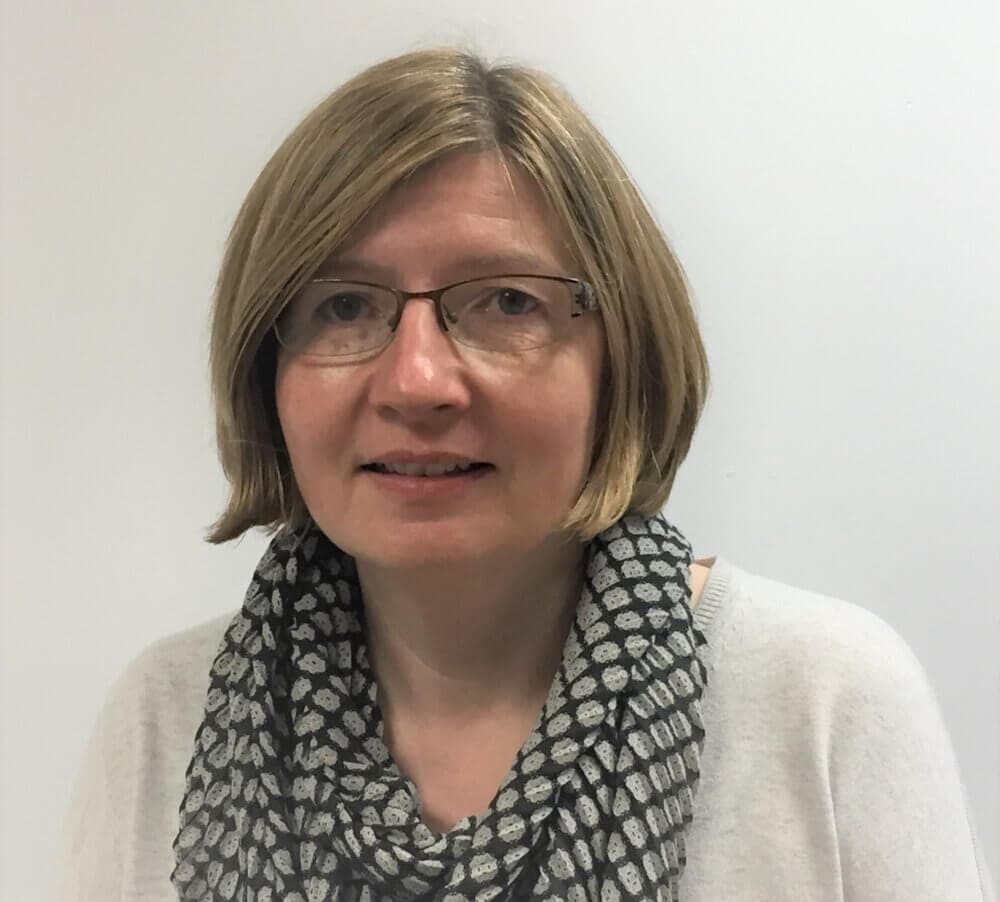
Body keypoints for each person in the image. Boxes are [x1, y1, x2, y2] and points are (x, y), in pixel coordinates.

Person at [50, 48, 994, 902]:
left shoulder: (824, 703)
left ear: (621, 354)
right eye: (342, 305)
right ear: (268, 370)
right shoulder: (165, 723)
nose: (417, 381)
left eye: (506, 301)